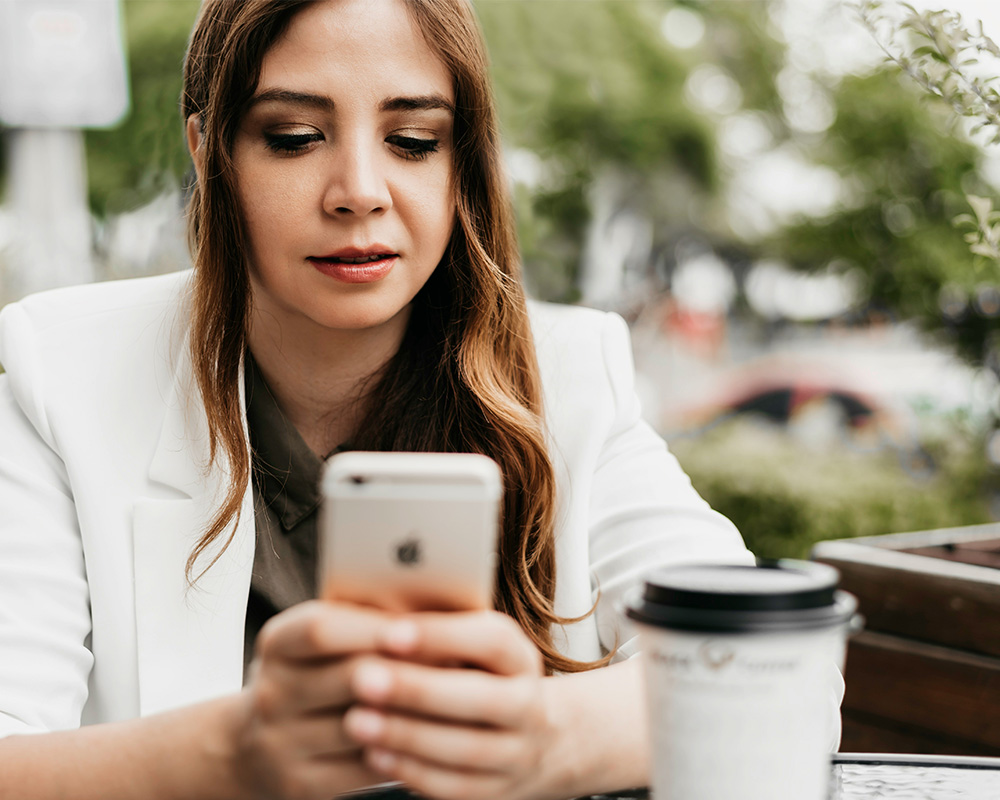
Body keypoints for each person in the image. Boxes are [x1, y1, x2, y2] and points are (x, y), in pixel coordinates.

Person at [0, 1, 761, 798]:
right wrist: (235, 754)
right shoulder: (62, 375)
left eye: (413, 141)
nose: (358, 192)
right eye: (293, 138)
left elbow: (763, 674)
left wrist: (539, 740)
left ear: (461, 160)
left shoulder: (568, 377)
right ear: (207, 149)